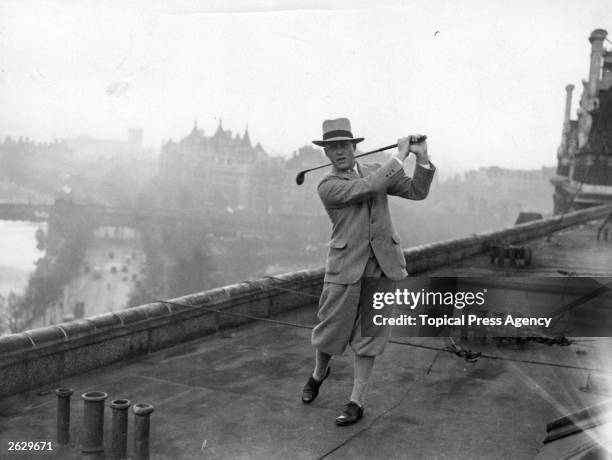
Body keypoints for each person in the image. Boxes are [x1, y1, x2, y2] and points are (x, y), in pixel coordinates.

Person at [301, 117, 435, 426]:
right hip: (345, 268)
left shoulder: (378, 170)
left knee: (369, 338)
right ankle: (319, 373)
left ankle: (355, 401)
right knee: (330, 332)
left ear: (354, 147)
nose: (339, 152)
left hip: (381, 265)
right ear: (326, 154)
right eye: (332, 148)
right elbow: (367, 188)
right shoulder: (328, 185)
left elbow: (417, 191)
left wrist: (422, 157)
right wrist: (399, 156)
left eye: (344, 146)